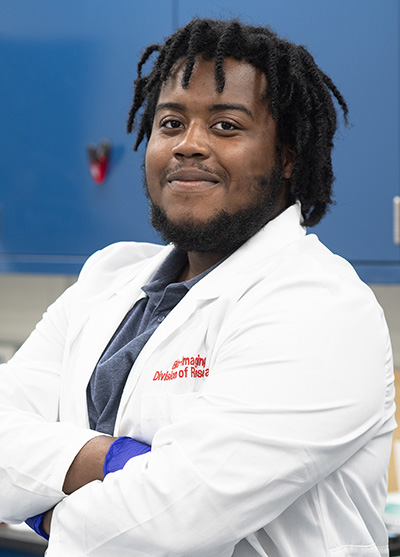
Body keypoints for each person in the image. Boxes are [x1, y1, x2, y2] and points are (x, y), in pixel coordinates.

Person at [0, 17, 395, 557]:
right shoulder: (108, 278)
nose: (188, 145)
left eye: (226, 125)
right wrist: (114, 463)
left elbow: (168, 524)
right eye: (170, 123)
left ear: (287, 155)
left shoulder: (320, 307)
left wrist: (44, 501)